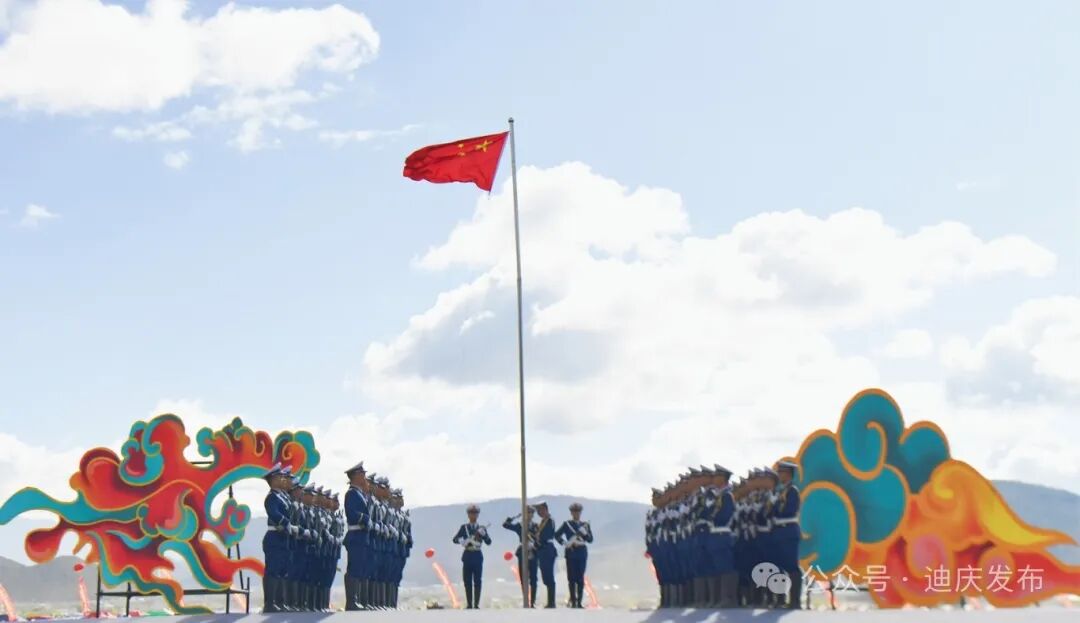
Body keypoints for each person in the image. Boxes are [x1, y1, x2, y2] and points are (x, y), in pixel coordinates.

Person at [261, 464, 291, 613]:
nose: (282, 479)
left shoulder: (282, 497)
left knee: (282, 570)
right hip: (274, 536)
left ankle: (280, 602)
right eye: (280, 477)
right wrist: (286, 523)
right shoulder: (272, 497)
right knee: (272, 570)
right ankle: (270, 603)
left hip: (283, 536)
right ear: (273, 479)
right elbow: (274, 513)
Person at [773, 460, 802, 609]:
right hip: (779, 531)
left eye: (781, 472)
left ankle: (795, 600)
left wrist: (776, 507)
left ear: (789, 474)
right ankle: (780, 599)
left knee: (791, 566)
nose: (779, 475)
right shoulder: (780, 491)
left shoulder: (792, 491)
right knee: (778, 566)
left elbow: (789, 510)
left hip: (788, 530)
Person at [342, 462, 371, 610]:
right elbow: (352, 514)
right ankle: (351, 601)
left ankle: (356, 600)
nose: (364, 477)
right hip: (355, 535)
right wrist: (366, 519)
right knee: (354, 568)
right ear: (356, 476)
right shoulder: (352, 494)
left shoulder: (359, 493)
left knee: (360, 568)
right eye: (362, 474)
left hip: (361, 536)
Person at [555, 502, 593, 608]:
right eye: (574, 511)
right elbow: (557, 535)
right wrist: (565, 543)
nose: (576, 513)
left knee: (580, 578)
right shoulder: (567, 524)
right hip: (571, 552)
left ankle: (579, 602)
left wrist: (585, 533)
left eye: (578, 511)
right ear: (571, 513)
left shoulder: (585, 525)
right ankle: (573, 601)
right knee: (571, 578)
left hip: (581, 552)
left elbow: (590, 540)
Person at [453, 504, 491, 609]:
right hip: (468, 555)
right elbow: (455, 539)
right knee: (467, 581)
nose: (473, 515)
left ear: (478, 515)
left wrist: (484, 535)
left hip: (477, 555)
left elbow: (489, 542)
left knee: (477, 581)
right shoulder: (464, 528)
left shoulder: (481, 528)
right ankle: (469, 604)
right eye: (471, 513)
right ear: (468, 515)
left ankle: (476, 604)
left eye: (475, 513)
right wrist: (463, 541)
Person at [503, 506, 539, 607]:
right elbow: (505, 525)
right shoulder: (520, 525)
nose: (529, 515)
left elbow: (539, 538)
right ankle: (526, 600)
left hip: (533, 551)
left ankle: (533, 602)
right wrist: (514, 517)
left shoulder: (536, 526)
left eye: (531, 513)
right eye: (527, 513)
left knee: (534, 578)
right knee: (523, 578)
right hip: (522, 551)